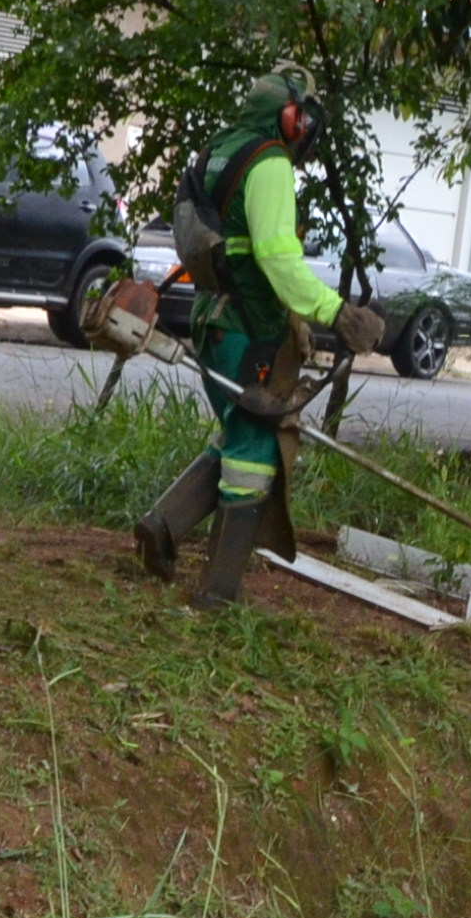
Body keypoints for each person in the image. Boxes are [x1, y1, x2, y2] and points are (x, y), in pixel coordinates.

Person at [132, 74, 391, 607]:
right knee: (254, 453)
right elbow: (276, 258)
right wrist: (336, 313)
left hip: (212, 318)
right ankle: (219, 592)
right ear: (293, 118)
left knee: (236, 430)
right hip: (247, 328)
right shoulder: (269, 163)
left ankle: (162, 525)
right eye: (306, 119)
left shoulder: (219, 150)